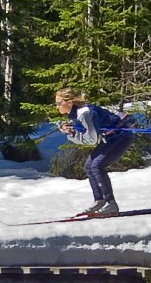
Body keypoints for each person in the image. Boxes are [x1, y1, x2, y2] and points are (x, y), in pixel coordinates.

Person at [54, 88, 134, 216]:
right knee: (89, 165)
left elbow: (92, 139)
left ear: (69, 102)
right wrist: (71, 129)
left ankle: (111, 204)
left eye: (59, 103)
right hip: (111, 138)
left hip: (122, 136)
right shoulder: (76, 113)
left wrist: (71, 134)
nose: (57, 107)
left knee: (97, 165)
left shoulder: (84, 113)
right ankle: (100, 201)